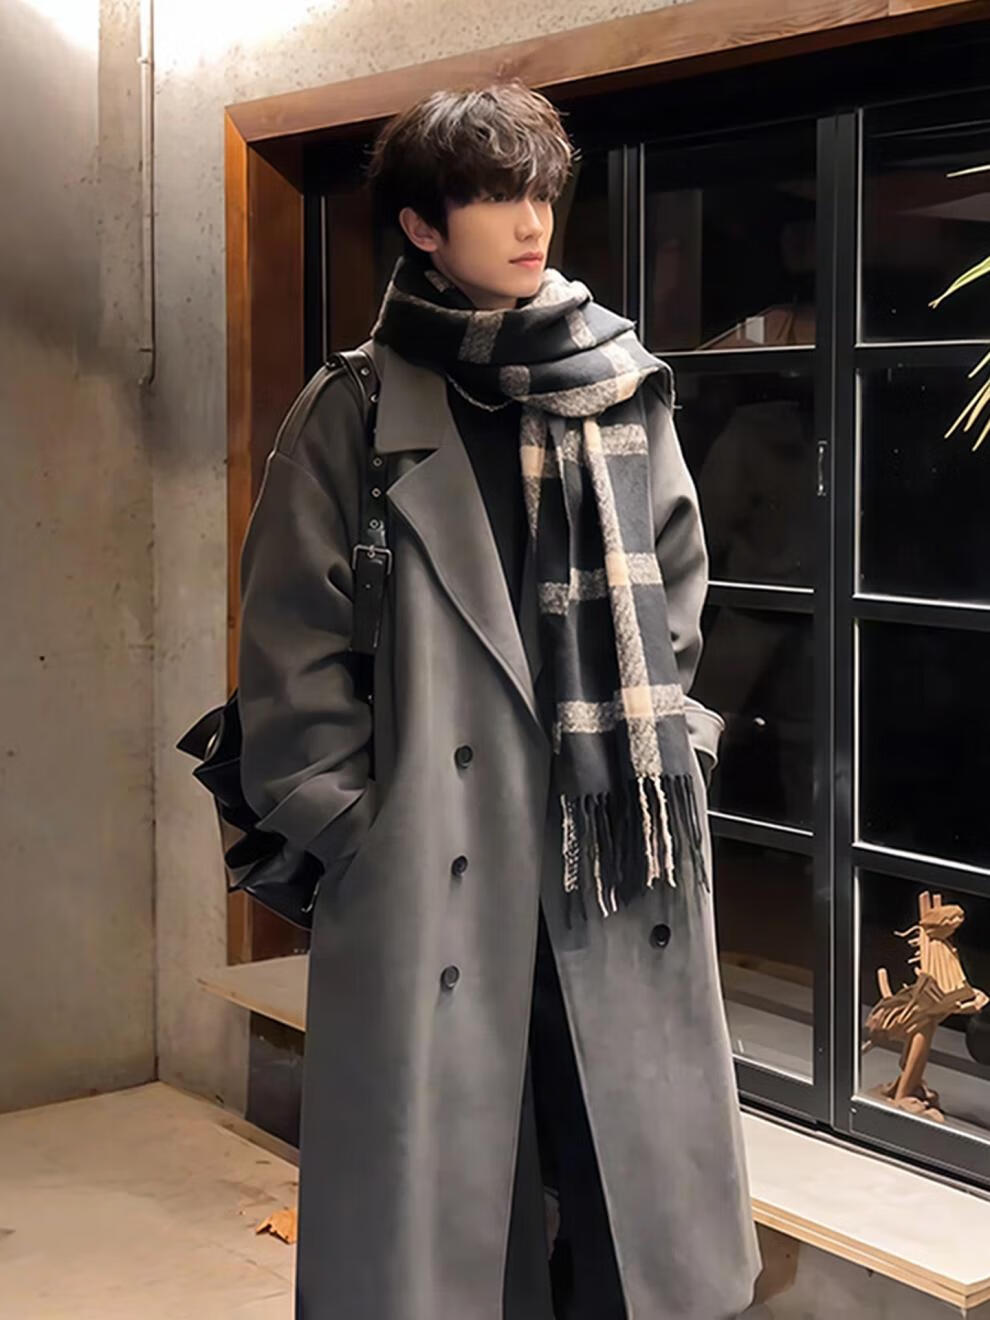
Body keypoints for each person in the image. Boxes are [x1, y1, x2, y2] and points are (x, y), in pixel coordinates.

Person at [236, 80, 760, 1320]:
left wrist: (672, 746)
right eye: (491, 198)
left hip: (606, 847)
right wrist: (359, 828)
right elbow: (291, 641)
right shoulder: (355, 407)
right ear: (422, 226)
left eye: (540, 194)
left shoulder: (618, 380)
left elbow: (679, 585)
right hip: (435, 860)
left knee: (621, 1200)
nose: (531, 224)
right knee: (461, 1216)